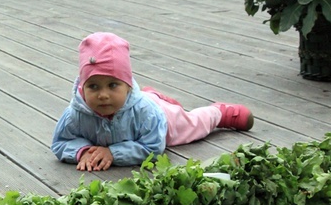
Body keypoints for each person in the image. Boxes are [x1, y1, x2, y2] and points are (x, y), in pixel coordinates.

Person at [52, 32, 254, 172]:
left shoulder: (146, 113)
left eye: (113, 85)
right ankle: (152, 94)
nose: (103, 95)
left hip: (164, 120)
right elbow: (60, 142)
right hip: (142, 106)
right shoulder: (76, 113)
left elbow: (153, 146)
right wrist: (83, 151)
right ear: (83, 86)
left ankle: (219, 113)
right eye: (93, 86)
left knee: (193, 124)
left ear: (128, 85)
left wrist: (113, 153)